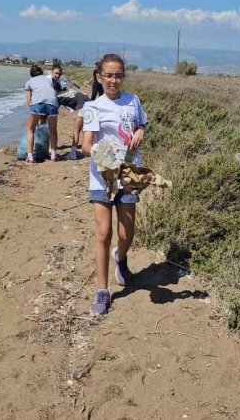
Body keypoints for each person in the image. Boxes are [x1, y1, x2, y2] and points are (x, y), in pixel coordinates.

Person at [80, 54, 147, 316]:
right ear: (99, 77)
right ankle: (102, 291)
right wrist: (106, 160)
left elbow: (140, 122)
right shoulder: (93, 107)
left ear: (124, 76)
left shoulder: (133, 101)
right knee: (103, 232)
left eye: (118, 75)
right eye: (108, 75)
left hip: (129, 176)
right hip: (102, 176)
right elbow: (86, 146)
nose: (113, 80)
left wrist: (141, 129)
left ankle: (120, 257)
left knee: (127, 232)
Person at [23, 64, 59, 163]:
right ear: (41, 73)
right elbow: (52, 92)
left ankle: (30, 158)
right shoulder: (48, 80)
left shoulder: (29, 82)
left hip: (37, 104)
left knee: (30, 129)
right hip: (52, 103)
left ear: (31, 74)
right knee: (53, 130)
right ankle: (53, 157)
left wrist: (35, 114)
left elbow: (29, 101)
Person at [68, 69, 105, 160]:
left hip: (85, 108)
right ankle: (88, 150)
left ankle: (73, 152)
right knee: (87, 132)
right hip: (90, 108)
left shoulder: (85, 91)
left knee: (78, 130)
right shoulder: (98, 87)